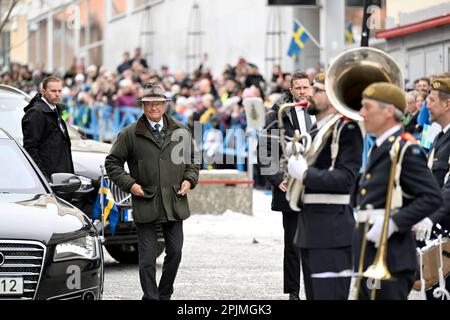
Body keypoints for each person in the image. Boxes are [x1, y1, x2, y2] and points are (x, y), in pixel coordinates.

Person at [105, 83, 200, 300]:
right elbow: (112, 163)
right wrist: (130, 185)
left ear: (165, 105)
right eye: (149, 104)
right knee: (147, 258)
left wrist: (189, 179)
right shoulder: (129, 133)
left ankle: (164, 294)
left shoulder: (180, 131)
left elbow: (192, 160)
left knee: (175, 252)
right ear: (142, 106)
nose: (154, 107)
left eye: (158, 103)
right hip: (145, 200)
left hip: (175, 200)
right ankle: (151, 297)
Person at [354, 82, 442, 300]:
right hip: (371, 252)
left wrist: (392, 223)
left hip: (392, 256)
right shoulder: (381, 147)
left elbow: (432, 197)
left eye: (368, 107)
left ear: (389, 111)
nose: (361, 113)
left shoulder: (404, 148)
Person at [287, 73, 363, 299]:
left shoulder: (346, 129)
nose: (309, 94)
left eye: (317, 90)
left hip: (332, 229)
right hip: (310, 226)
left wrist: (306, 174)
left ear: (332, 97)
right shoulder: (313, 131)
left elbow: (345, 179)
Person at [259, 71, 315, 300]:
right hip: (289, 186)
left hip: (315, 186)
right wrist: (276, 179)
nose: (303, 91)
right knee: (292, 244)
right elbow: (264, 150)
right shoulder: (278, 113)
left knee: (314, 243)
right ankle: (293, 292)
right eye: (298, 88)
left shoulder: (320, 111)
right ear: (291, 90)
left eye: (306, 87)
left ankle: (314, 291)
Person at [416, 77, 450, 299]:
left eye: (431, 99)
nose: (426, 104)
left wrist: (430, 217)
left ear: (447, 104)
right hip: (436, 234)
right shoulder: (439, 137)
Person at [22, 76, 74, 180]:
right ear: (44, 91)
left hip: (62, 178)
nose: (57, 94)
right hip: (49, 180)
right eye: (53, 91)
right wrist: (44, 178)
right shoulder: (36, 113)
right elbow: (31, 149)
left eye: (59, 91)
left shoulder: (56, 110)